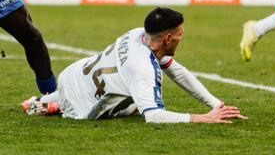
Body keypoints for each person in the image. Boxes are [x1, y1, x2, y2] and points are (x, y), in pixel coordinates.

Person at [21, 7, 247, 124]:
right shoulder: (143, 67)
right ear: (168, 38)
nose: (182, 38)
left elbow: (177, 72)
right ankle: (53, 106)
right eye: (180, 34)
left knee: (129, 98)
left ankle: (42, 102)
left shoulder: (139, 34)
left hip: (73, 75)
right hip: (81, 107)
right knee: (134, 106)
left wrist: (216, 105)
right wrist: (203, 117)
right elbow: (154, 116)